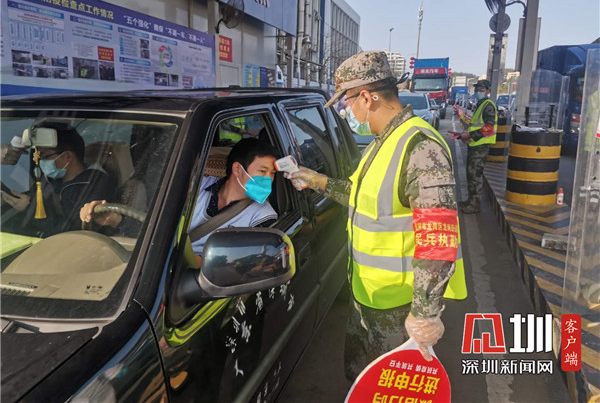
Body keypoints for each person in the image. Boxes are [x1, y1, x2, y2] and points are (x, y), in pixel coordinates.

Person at [287, 51, 467, 383]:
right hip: (368, 294)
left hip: (398, 308)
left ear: (367, 97)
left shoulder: (420, 148)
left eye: (347, 102)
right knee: (363, 381)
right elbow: (364, 198)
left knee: (391, 388)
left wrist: (424, 314)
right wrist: (318, 181)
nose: (347, 111)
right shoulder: (382, 141)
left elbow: (438, 238)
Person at [81, 138, 279, 264]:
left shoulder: (264, 217)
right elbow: (161, 223)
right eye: (263, 171)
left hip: (200, 282)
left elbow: (241, 264)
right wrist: (116, 220)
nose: (269, 179)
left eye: (272, 173)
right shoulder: (197, 185)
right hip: (158, 267)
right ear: (237, 169)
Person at [2, 124, 115, 236]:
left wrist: (29, 209)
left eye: (45, 156)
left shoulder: (96, 184)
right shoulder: (49, 179)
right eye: (37, 157)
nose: (40, 162)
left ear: (68, 156)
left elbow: (76, 232)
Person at [448, 79, 498, 214]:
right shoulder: (480, 104)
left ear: (488, 91)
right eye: (477, 89)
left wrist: (470, 135)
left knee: (475, 175)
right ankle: (470, 201)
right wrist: (464, 136)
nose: (478, 92)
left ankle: (474, 205)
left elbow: (489, 128)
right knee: (471, 174)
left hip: (481, 147)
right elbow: (477, 126)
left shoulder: (488, 105)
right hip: (475, 144)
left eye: (482, 90)